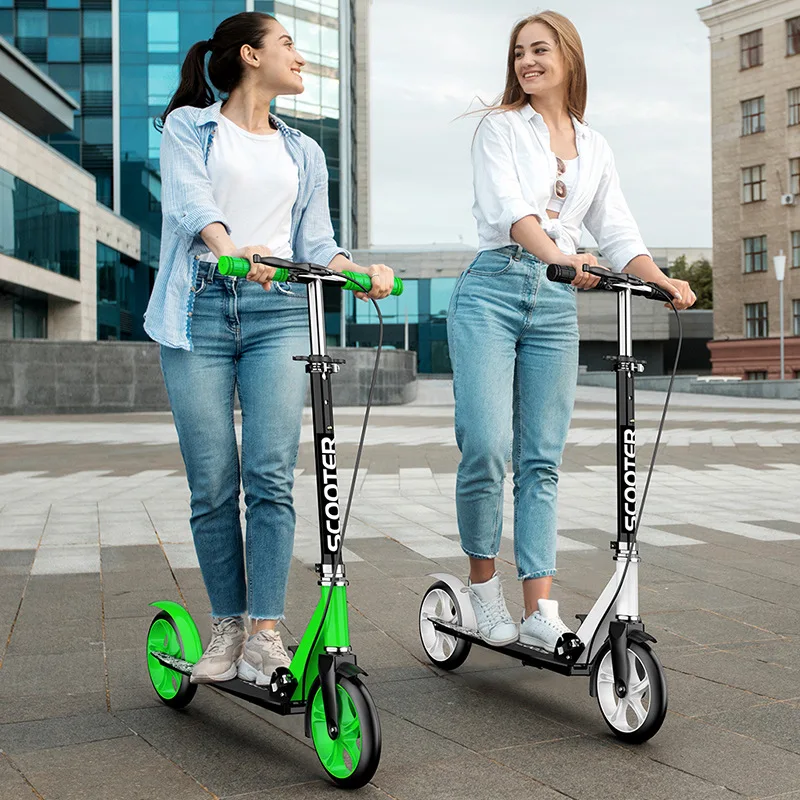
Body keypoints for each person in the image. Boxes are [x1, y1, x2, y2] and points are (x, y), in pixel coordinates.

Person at [145, 11, 395, 685]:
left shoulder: (304, 151)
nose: (300, 56)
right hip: (198, 307)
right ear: (251, 56)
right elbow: (191, 206)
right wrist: (232, 252)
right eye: (287, 43)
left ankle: (264, 631)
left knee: (270, 475)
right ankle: (226, 625)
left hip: (280, 313)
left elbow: (314, 241)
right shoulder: (188, 127)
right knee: (213, 482)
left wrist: (356, 270)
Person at [449, 11, 696, 653]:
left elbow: (616, 233)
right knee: (486, 445)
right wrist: (560, 256)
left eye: (540, 50)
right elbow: (514, 214)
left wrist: (660, 279)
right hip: (494, 290)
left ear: (569, 56)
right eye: (519, 53)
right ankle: (482, 590)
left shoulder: (596, 145)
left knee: (542, 460)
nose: (527, 62)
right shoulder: (499, 130)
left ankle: (540, 607)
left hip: (556, 304)